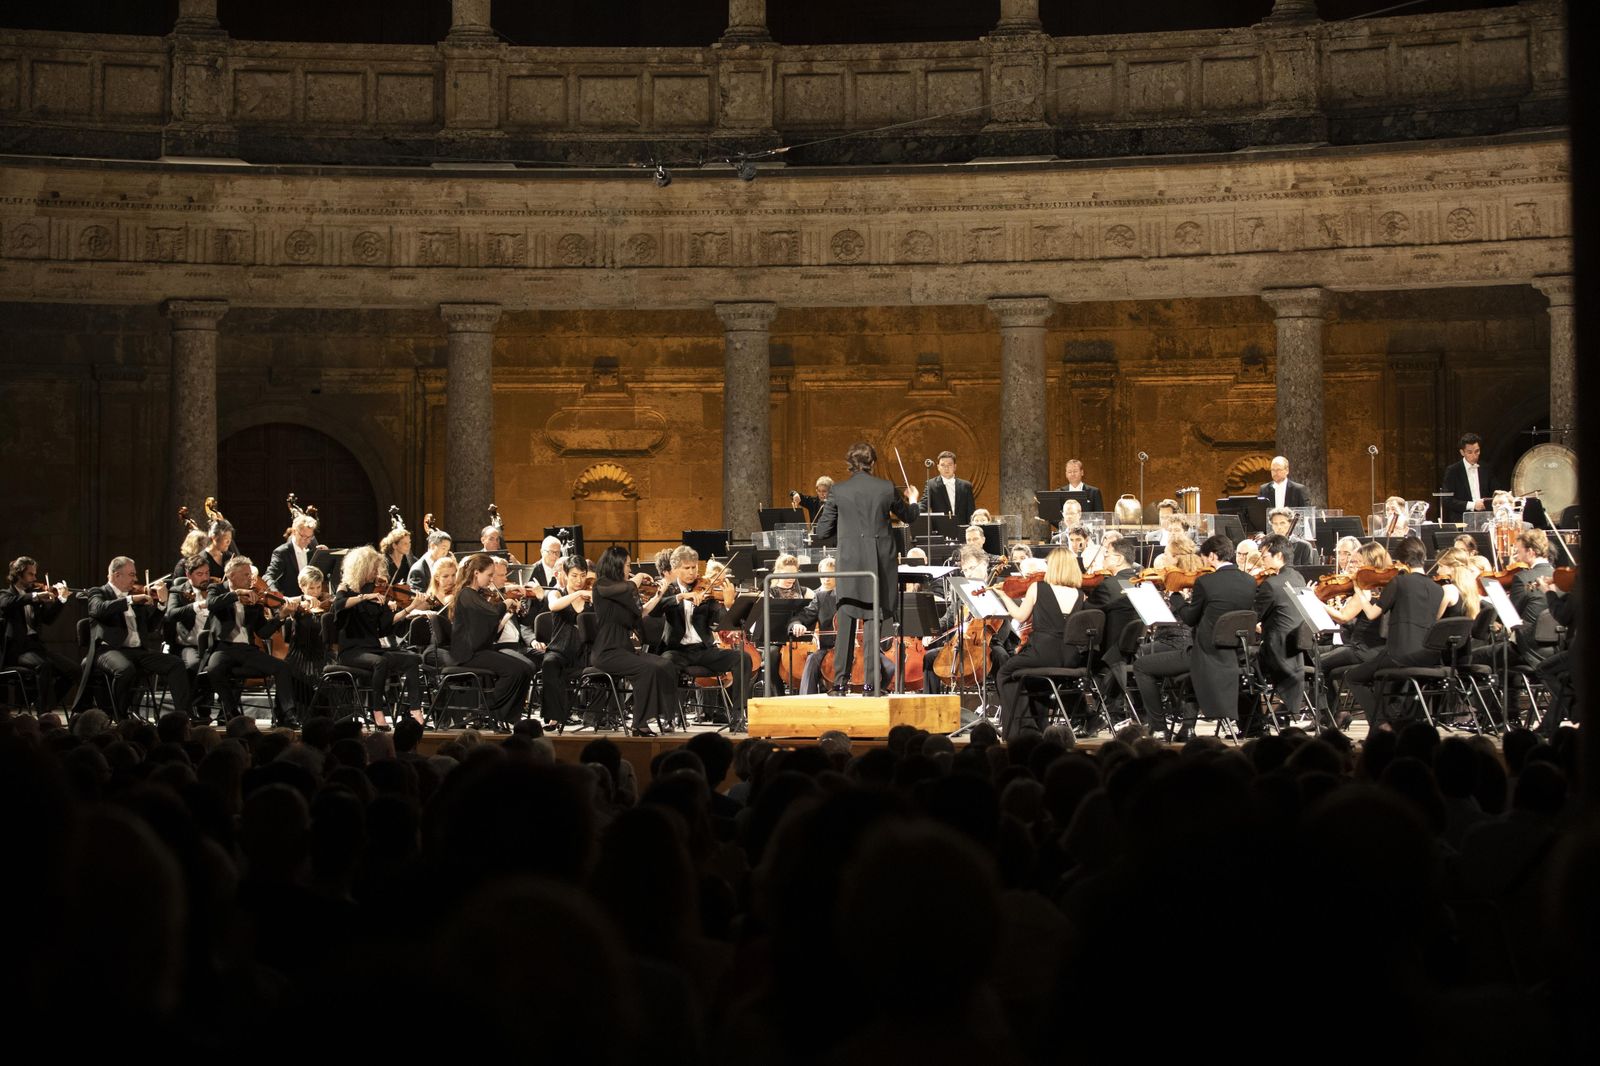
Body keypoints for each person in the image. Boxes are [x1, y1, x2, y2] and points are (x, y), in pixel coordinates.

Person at [810, 441, 920, 694]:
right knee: (873, 619)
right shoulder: (886, 487)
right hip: (878, 563)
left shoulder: (838, 490)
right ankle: (872, 685)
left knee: (846, 619)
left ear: (849, 463)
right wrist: (914, 500)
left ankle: (839, 683)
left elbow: (823, 532)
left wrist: (848, 535)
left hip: (850, 563)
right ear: (873, 462)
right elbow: (910, 516)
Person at [1134, 536, 1256, 739]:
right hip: (1232, 655)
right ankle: (1187, 727)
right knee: (1189, 673)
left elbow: (1190, 619)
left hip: (1204, 654)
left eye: (1205, 557)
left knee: (1141, 666)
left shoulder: (1206, 582)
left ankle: (1159, 727)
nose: (1204, 562)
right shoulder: (1249, 581)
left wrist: (1176, 597)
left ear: (1213, 556)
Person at [1342, 537, 1446, 730]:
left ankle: (1381, 725)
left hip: (1400, 655)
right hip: (1428, 657)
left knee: (1353, 677)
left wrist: (1360, 593)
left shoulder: (1399, 582)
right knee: (1382, 678)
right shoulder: (1438, 589)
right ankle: (1391, 724)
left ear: (1403, 560)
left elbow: (1372, 614)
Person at [991, 547, 1083, 742]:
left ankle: (1024, 729)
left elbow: (1020, 616)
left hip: (1042, 652)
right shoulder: (1080, 594)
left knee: (1005, 673)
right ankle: (1040, 726)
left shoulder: (1038, 587)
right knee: (1034, 680)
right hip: (1070, 657)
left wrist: (1004, 596)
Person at [657, 545, 753, 722]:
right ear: (675, 569)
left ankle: (738, 716)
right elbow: (656, 609)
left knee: (743, 658)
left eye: (694, 567)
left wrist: (728, 605)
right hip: (677, 651)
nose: (692, 572)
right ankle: (670, 717)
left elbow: (718, 621)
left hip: (703, 650)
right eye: (687, 568)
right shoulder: (668, 589)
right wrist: (681, 597)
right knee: (665, 663)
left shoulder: (705, 589)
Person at [333, 545, 425, 729]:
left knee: (412, 659)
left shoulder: (377, 592)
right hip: (351, 651)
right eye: (373, 568)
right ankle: (377, 710)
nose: (376, 573)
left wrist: (410, 607)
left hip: (373, 649)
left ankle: (415, 709)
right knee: (380, 662)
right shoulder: (345, 588)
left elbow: (386, 624)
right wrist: (364, 597)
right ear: (361, 568)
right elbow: (339, 606)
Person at [589, 546, 678, 736]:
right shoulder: (602, 585)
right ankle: (640, 724)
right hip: (607, 651)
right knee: (646, 669)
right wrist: (637, 579)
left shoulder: (625, 591)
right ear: (616, 564)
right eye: (628, 565)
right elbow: (626, 587)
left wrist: (659, 594)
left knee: (665, 664)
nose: (630, 569)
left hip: (625, 648)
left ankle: (667, 716)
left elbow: (641, 613)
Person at [446, 553, 541, 727]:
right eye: (489, 575)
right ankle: (491, 709)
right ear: (476, 573)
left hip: (481, 650)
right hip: (468, 654)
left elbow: (490, 622)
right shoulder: (466, 594)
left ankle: (511, 715)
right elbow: (492, 612)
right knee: (514, 670)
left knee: (526, 668)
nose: (491, 580)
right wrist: (508, 602)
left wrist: (507, 605)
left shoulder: (477, 594)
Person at [203, 555, 298, 728]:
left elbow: (262, 632)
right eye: (246, 575)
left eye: (250, 575)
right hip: (223, 647)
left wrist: (281, 617)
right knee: (214, 669)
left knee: (283, 667)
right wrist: (236, 594)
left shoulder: (254, 597)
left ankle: (287, 715)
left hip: (247, 650)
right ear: (231, 575)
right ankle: (231, 711)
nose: (250, 579)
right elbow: (211, 604)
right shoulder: (217, 588)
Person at [1, 556, 76, 713]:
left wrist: (61, 600)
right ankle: (44, 712)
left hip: (36, 648)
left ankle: (43, 703)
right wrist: (36, 597)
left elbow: (48, 620)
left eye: (35, 574)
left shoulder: (34, 597)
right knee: (44, 666)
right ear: (18, 574)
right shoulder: (5, 594)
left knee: (74, 670)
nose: (35, 578)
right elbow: (9, 603)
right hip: (17, 651)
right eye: (31, 574)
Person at [1250, 533, 1308, 732]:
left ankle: (1254, 722)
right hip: (1295, 650)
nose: (1262, 560)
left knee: (1243, 666)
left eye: (1265, 556)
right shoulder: (1298, 577)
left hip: (1276, 650)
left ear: (1279, 556)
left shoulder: (1271, 584)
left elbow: (1252, 617)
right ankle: (1278, 713)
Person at [535, 558, 594, 730]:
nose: (579, 580)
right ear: (566, 575)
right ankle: (554, 717)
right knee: (549, 663)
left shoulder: (590, 597)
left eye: (582, 575)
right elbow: (553, 606)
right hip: (560, 650)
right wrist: (578, 594)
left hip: (584, 652)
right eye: (574, 575)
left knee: (605, 665)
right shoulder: (557, 593)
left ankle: (595, 716)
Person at [164, 553, 217, 722]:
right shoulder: (178, 591)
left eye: (207, 573)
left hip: (213, 645)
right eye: (199, 574)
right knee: (195, 665)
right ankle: (195, 710)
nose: (205, 578)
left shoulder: (215, 589)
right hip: (188, 645)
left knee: (223, 665)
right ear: (188, 575)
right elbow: (171, 614)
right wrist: (196, 605)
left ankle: (219, 713)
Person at [264, 511, 322, 596]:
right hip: (291, 600)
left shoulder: (313, 549)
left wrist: (325, 555)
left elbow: (320, 576)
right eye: (303, 536)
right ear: (294, 532)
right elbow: (268, 577)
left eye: (310, 537)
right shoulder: (282, 552)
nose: (307, 541)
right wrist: (277, 594)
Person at [1442, 432, 1497, 521]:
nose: (1474, 456)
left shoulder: (1486, 468)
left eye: (1477, 451)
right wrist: (1473, 505)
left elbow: (1495, 490)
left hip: (1485, 518)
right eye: (1469, 452)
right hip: (1461, 520)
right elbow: (1447, 500)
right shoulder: (1453, 471)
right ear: (1462, 452)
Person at [922, 450, 976, 525]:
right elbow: (924, 505)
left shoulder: (966, 486)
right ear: (938, 467)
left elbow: (971, 511)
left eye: (949, 465)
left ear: (955, 467)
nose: (946, 468)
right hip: (941, 528)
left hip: (962, 527)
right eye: (943, 465)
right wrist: (913, 505)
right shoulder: (931, 485)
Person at [408, 527, 453, 591]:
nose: (445, 553)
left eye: (447, 550)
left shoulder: (438, 565)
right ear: (432, 546)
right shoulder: (418, 570)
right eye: (443, 548)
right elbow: (417, 595)